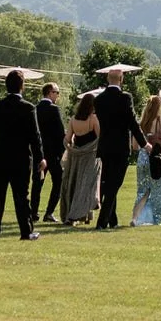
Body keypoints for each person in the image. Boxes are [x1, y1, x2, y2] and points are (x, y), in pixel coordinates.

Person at [0, 69, 44, 243]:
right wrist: (40, 158)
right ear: (22, 86)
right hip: (20, 158)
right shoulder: (28, 108)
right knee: (21, 197)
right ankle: (26, 231)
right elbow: (35, 136)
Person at [92, 72, 145, 229]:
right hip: (120, 147)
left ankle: (112, 220)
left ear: (108, 79)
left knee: (108, 182)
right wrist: (144, 143)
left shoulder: (99, 100)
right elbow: (132, 123)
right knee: (114, 185)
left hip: (105, 147)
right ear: (122, 80)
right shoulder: (125, 98)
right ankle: (101, 222)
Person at [132, 89, 161, 226]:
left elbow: (134, 145)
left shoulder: (142, 122)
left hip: (143, 158)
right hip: (157, 159)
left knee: (143, 190)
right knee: (159, 190)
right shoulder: (159, 119)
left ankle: (135, 218)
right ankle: (157, 219)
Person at [62, 92, 102, 225]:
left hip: (76, 156)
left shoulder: (73, 119)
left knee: (75, 183)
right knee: (87, 184)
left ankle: (83, 215)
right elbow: (99, 137)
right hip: (90, 156)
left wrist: (72, 149)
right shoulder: (93, 119)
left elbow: (67, 139)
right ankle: (78, 214)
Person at [34, 81, 67, 222]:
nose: (58, 95)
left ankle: (33, 212)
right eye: (56, 92)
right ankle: (49, 212)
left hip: (39, 152)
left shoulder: (34, 109)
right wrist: (63, 151)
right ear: (49, 93)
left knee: (37, 183)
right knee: (58, 181)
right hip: (53, 153)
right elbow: (60, 133)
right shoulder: (54, 109)